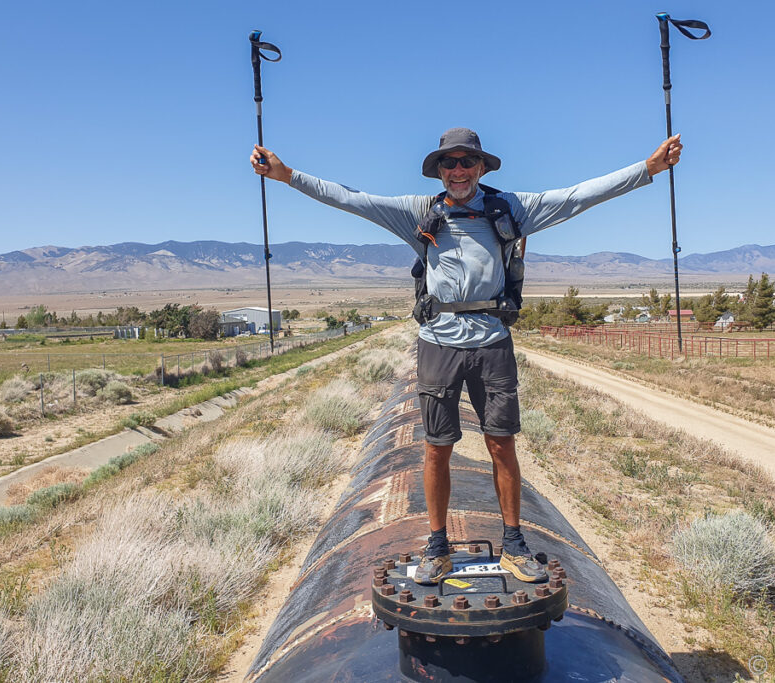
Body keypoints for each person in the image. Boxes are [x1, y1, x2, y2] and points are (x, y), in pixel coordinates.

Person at [250, 128, 682, 584]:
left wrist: (647, 170)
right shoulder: (419, 212)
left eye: (466, 162)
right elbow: (351, 199)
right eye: (449, 163)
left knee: (501, 442)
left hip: (492, 342)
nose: (457, 171)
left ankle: (514, 544)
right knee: (437, 448)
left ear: (481, 167)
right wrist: (286, 176)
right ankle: (437, 546)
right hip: (439, 343)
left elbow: (578, 197)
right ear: (439, 171)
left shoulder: (511, 209)